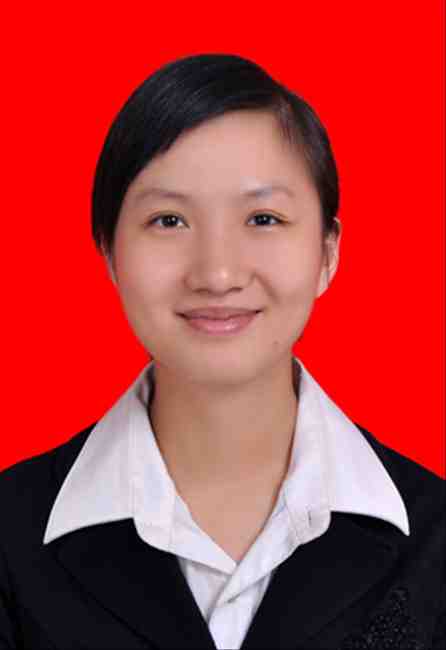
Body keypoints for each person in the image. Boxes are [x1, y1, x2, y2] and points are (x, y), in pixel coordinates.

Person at [0, 53, 444, 650]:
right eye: (168, 220)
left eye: (263, 218)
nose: (217, 273)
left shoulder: (434, 538)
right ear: (108, 250)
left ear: (327, 253)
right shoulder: (12, 537)